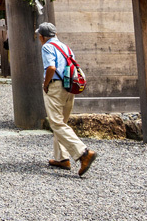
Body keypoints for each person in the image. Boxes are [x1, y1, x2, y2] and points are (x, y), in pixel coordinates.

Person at [36, 22, 97, 177]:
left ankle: (83, 153)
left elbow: (51, 68)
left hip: (55, 86)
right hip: (69, 87)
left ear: (42, 37)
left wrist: (45, 84)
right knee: (62, 123)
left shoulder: (47, 47)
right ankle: (61, 158)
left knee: (56, 123)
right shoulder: (66, 47)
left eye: (39, 36)